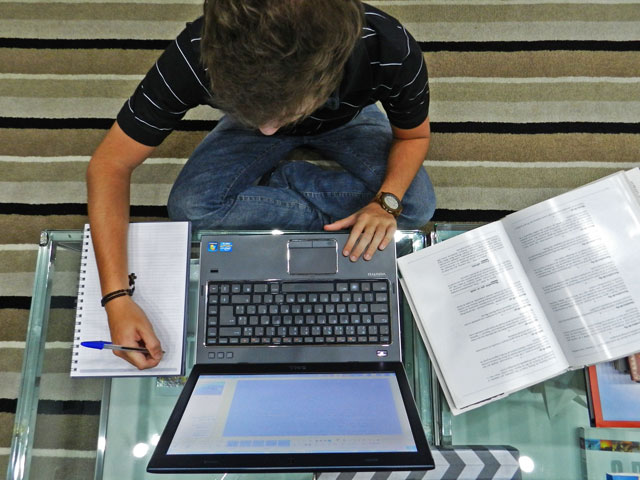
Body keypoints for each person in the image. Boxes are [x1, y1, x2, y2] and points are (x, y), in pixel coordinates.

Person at [86, 0, 436, 370]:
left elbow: (413, 138)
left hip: (349, 120)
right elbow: (109, 164)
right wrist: (116, 297)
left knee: (413, 207)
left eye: (284, 113)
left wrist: (385, 204)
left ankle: (291, 176)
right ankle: (278, 151)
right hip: (245, 117)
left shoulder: (387, 46)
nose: (270, 129)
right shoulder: (197, 51)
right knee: (189, 209)